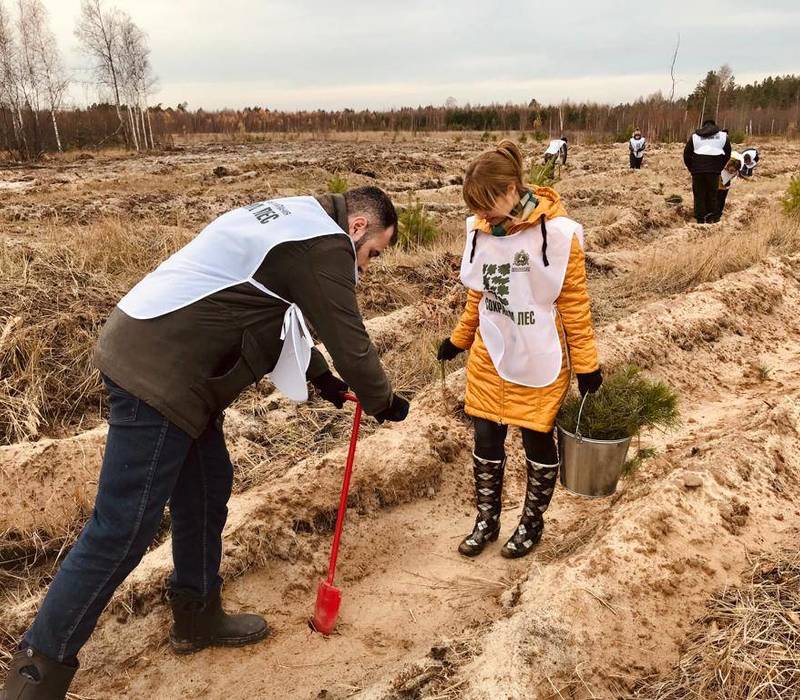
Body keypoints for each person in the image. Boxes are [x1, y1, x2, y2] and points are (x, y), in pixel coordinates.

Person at [1, 187, 410, 700]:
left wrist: (323, 380)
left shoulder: (297, 218)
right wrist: (384, 401)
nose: (366, 268)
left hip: (168, 358)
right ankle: (34, 675)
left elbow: (277, 315)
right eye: (373, 254)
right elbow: (350, 337)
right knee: (122, 528)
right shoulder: (325, 244)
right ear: (357, 229)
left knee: (207, 485)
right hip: (159, 373)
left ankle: (196, 614)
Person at [437, 140, 601, 560]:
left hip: (540, 353)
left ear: (512, 189)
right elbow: (479, 294)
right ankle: (486, 521)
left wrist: (587, 366)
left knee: (536, 438)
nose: (481, 214)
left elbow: (574, 305)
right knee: (486, 436)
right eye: (475, 206)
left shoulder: (560, 236)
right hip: (491, 352)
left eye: (487, 203)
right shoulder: (480, 231)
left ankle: (531, 523)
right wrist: (459, 339)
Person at [683, 119, 731, 223]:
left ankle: (700, 220)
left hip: (697, 171)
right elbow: (728, 154)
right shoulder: (723, 136)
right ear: (715, 126)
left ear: (703, 126)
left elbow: (686, 154)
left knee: (699, 195)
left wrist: (692, 169)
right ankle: (711, 219)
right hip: (714, 171)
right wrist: (719, 167)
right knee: (712, 194)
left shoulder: (695, 137)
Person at [716, 152, 743, 221]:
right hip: (717, 180)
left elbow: (732, 179)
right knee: (715, 198)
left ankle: (718, 215)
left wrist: (726, 186)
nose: (731, 172)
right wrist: (720, 184)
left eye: (733, 171)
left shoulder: (736, 171)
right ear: (728, 166)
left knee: (722, 199)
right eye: (731, 170)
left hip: (726, 182)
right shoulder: (721, 166)